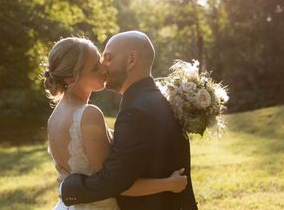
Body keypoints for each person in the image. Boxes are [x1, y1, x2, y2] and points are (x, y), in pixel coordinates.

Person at [60, 31, 198, 210]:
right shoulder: (155, 99)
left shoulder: (136, 111)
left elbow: (114, 180)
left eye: (108, 58)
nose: (103, 66)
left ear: (132, 59)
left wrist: (68, 188)